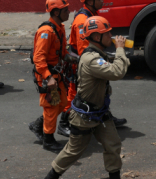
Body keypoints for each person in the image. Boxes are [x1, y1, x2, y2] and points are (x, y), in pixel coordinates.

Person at [44, 16, 129, 179]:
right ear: (97, 37)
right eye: (107, 33)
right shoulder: (92, 59)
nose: (111, 36)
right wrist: (120, 49)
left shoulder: (98, 53)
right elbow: (117, 72)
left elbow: (114, 66)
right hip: (85, 115)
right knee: (73, 151)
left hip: (100, 112)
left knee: (113, 144)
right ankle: (50, 177)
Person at [58, 0, 127, 137]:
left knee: (101, 90)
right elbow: (86, 50)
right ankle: (63, 124)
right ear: (89, 2)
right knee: (75, 95)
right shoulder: (83, 20)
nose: (102, 1)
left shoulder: (91, 15)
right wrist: (99, 64)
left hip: (86, 61)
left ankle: (105, 116)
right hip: (81, 65)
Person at [29, 0, 70, 152]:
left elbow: (63, 52)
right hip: (48, 76)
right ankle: (49, 140)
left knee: (63, 102)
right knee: (51, 107)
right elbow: (38, 58)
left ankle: (38, 124)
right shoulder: (46, 31)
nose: (69, 12)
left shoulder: (59, 28)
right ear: (56, 12)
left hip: (56, 74)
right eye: (65, 10)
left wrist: (76, 59)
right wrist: (48, 77)